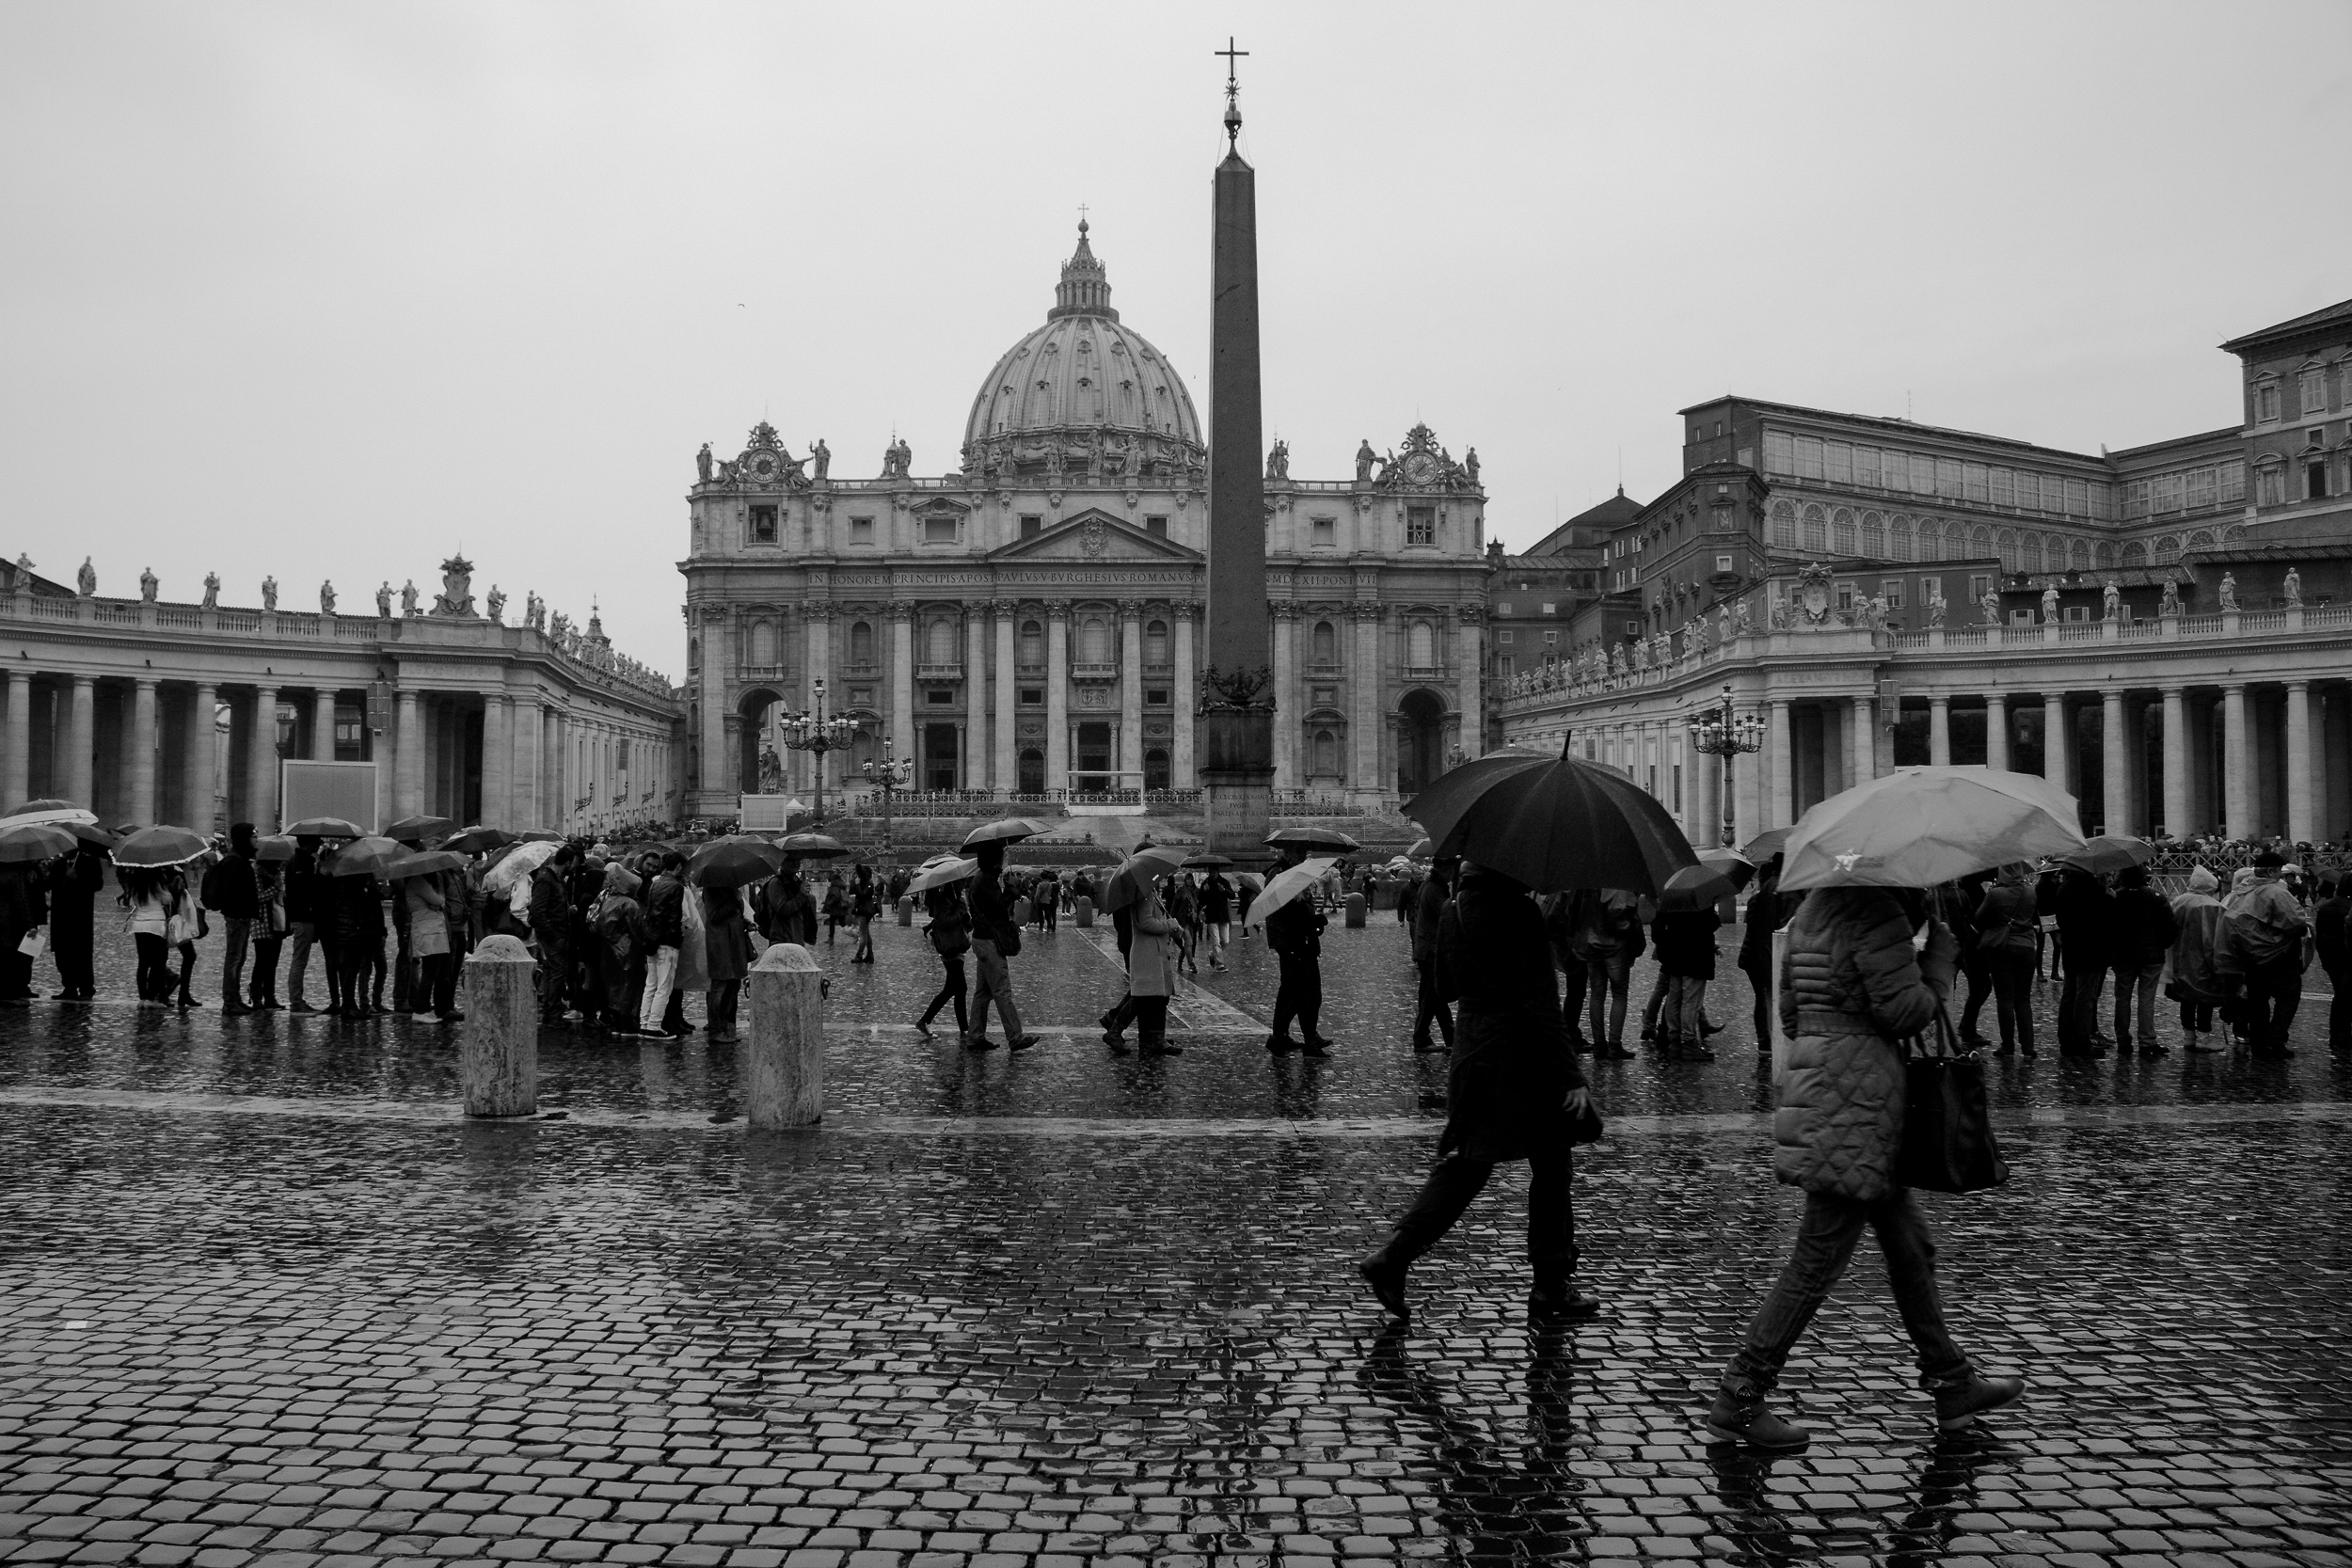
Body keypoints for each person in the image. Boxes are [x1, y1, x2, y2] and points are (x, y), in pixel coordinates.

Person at [1705, 884, 2023, 1449]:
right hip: (1857, 1101)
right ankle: (1741, 1393)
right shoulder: (1876, 911)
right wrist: (1939, 961)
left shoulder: (1811, 909)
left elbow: (1790, 1015)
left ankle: (1953, 1381)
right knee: (1816, 1260)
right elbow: (1904, 1012)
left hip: (1830, 1088)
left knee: (1911, 1249)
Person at [1358, 861, 1597, 1323]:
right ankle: (1550, 1282)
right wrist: (1571, 1076)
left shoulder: (1454, 909)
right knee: (1552, 1163)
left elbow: (1444, 986)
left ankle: (1394, 1256)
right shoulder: (1521, 913)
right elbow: (1542, 1004)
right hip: (1522, 1055)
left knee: (1469, 1163)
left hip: (1472, 1054)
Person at [2225, 847, 2311, 1058]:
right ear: (2271, 871)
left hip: (2251, 955)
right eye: (2279, 871)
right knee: (2288, 997)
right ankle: (2275, 1039)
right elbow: (2295, 921)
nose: (2281, 875)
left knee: (2257, 999)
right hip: (2279, 954)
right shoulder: (2276, 892)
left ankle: (2259, 1043)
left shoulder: (2241, 891)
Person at [964, 841, 1040, 1052]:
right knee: (1002, 990)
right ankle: (1015, 1037)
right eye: (1001, 856)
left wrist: (1008, 889)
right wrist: (1011, 891)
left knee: (983, 993)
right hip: (989, 941)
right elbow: (997, 907)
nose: (1004, 860)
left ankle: (975, 1036)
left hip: (982, 939)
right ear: (993, 859)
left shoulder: (983, 878)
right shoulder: (985, 880)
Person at [1265, 847, 1333, 1055]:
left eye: (1305, 852)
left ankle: (1290, 1036)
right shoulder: (1280, 874)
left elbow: (1302, 908)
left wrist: (1313, 920)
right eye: (1299, 852)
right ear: (1288, 853)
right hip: (1292, 942)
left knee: (1299, 992)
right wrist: (1311, 920)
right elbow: (1290, 913)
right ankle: (1294, 1038)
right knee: (1301, 993)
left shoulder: (1296, 873)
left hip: (1301, 940)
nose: (1304, 856)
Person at [2107, 865, 2179, 1056]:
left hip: (2123, 955)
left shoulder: (2115, 897)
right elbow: (2171, 927)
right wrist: (2161, 945)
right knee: (2147, 998)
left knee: (2122, 998)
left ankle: (2123, 1039)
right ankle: (2147, 1041)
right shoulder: (2156, 897)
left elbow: (2108, 927)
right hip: (2151, 956)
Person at [1972, 863, 2042, 1057]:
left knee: (2005, 999)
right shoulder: (2031, 893)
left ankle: (2008, 1046)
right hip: (2027, 946)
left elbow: (1979, 917)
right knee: (2024, 999)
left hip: (2002, 948)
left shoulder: (1995, 894)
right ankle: (2028, 1046)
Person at [2167, 863, 2233, 1053]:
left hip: (2180, 957)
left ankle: (2189, 1035)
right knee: (2205, 998)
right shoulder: (2211, 906)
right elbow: (2213, 938)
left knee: (2186, 998)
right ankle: (2204, 1036)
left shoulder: (2178, 901)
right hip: (2202, 959)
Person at [2050, 866, 2112, 1056]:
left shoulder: (2064, 887)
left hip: (2071, 947)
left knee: (2069, 994)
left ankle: (2066, 1038)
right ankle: (2081, 1041)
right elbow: (2097, 916)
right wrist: (2108, 898)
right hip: (2090, 948)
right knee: (2085, 996)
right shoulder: (2088, 887)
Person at [1577, 888, 1644, 1059]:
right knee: (1619, 994)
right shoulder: (1618, 884)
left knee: (1597, 994)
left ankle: (1599, 1045)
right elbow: (1619, 912)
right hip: (1614, 946)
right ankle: (1614, 1045)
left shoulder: (1587, 884)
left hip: (1592, 942)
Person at [1739, 859, 1795, 1055]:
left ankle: (1765, 1041)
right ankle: (1766, 1041)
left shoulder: (1761, 895)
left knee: (1763, 999)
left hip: (1755, 955)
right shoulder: (1778, 892)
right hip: (1761, 955)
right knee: (1766, 999)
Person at [1651, 901, 1721, 1061]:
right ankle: (1688, 1043)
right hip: (1695, 956)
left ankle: (1674, 1041)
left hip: (1673, 955)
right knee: (1691, 1000)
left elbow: (1658, 928)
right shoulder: (1700, 898)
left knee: (1674, 998)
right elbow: (1709, 924)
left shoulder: (1669, 898)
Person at [203, 824, 261, 1015]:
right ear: (244, 838)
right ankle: (229, 1001)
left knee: (239, 958)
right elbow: (231, 892)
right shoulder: (234, 861)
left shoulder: (240, 859)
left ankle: (235, 998)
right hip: (237, 917)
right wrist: (243, 908)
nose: (256, 839)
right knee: (234, 959)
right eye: (253, 836)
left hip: (242, 915)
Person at [1122, 873, 1182, 1055]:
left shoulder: (1150, 892)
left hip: (1154, 951)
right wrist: (1168, 925)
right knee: (1152, 998)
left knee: (1156, 998)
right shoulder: (1144, 894)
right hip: (1148, 952)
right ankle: (1154, 1040)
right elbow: (1145, 922)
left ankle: (1153, 1038)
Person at [46, 841, 104, 1002]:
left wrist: (77, 877)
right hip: (61, 916)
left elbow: (97, 884)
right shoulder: (58, 864)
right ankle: (69, 987)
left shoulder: (89, 862)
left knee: (81, 953)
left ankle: (86, 988)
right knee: (62, 953)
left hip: (80, 916)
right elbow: (51, 884)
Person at [591, 863, 645, 1034]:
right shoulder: (629, 904)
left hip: (608, 950)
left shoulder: (606, 901)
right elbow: (637, 929)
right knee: (630, 986)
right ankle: (627, 1023)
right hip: (628, 951)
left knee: (613, 986)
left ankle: (616, 1021)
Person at [637, 852, 686, 1039]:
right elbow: (674, 917)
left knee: (651, 984)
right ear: (678, 866)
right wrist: (677, 937)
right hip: (667, 940)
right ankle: (654, 1026)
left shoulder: (655, 883)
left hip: (652, 938)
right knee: (664, 986)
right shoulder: (676, 886)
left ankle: (644, 1023)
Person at [1409, 860, 1456, 1055]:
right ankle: (1422, 1037)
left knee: (1433, 997)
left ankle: (1450, 1039)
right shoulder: (1434, 889)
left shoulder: (1430, 886)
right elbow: (1448, 914)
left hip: (1427, 949)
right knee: (1432, 997)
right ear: (1444, 869)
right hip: (1431, 950)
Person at [915, 882, 971, 1040]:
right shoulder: (942, 900)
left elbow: (963, 923)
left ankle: (925, 1021)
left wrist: (966, 919)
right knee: (960, 987)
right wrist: (961, 909)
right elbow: (946, 921)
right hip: (949, 947)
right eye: (960, 883)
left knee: (952, 989)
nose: (963, 886)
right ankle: (964, 1029)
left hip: (957, 945)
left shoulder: (954, 899)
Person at [531, 846, 579, 1027]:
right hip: (553, 936)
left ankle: (551, 1014)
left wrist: (567, 911)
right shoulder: (546, 879)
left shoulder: (555, 879)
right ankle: (552, 1015)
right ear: (567, 863)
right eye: (573, 864)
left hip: (558, 933)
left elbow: (552, 907)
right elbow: (537, 911)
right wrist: (551, 935)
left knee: (554, 974)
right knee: (556, 974)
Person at [120, 866, 175, 1005]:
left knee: (143, 963)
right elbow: (166, 899)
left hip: (139, 924)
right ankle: (151, 998)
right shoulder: (156, 882)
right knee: (158, 963)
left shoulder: (135, 883)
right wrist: (167, 889)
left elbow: (135, 902)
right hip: (156, 924)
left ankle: (142, 998)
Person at [704, 883, 750, 1043]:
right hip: (720, 945)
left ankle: (725, 1027)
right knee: (719, 987)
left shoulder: (731, 889)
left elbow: (734, 915)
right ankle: (716, 1029)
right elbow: (714, 915)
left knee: (733, 987)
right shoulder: (711, 888)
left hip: (734, 945)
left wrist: (745, 923)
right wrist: (734, 900)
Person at [284, 837, 326, 1011]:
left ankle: (296, 999)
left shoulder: (297, 861)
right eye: (316, 842)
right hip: (303, 916)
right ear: (308, 843)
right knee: (299, 960)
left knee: (300, 959)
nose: (319, 845)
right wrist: (320, 876)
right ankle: (296, 1000)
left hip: (300, 914)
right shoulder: (302, 862)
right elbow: (305, 888)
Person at [2315, 875, 2352, 1058]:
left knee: (2340, 995)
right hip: (2347, 956)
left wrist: (2323, 958)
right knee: (2346, 996)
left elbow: (2319, 934)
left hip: (2331, 957)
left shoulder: (2325, 906)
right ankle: (2343, 1035)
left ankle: (2336, 1034)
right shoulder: (2349, 908)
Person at [247, 853, 287, 1008]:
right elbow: (256, 899)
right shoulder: (257, 876)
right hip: (262, 923)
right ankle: (256, 995)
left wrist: (281, 888)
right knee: (262, 962)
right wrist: (274, 888)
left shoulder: (278, 875)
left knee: (272, 963)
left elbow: (282, 899)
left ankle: (270, 997)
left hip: (277, 923)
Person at [1198, 869, 1234, 971]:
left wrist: (1224, 890)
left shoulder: (1224, 882)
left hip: (1223, 915)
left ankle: (1212, 955)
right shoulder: (1205, 883)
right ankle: (1219, 964)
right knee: (1216, 941)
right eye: (1210, 872)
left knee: (1225, 941)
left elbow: (1232, 895)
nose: (1212, 874)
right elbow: (1201, 901)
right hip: (1211, 915)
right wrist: (1204, 891)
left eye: (1214, 872)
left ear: (1218, 872)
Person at [850, 864, 878, 963]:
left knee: (862, 934)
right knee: (866, 933)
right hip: (866, 910)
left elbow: (863, 895)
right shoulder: (867, 882)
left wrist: (857, 885)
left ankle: (859, 954)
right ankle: (870, 954)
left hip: (864, 910)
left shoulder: (868, 883)